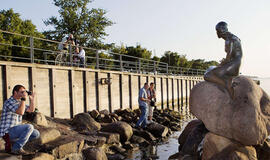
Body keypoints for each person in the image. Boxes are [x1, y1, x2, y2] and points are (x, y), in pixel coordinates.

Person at [204, 21, 242, 99]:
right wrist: (223, 62)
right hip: (235, 63)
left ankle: (226, 85)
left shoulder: (229, 40)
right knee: (211, 67)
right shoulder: (233, 37)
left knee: (207, 75)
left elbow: (228, 58)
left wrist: (221, 64)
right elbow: (232, 55)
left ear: (221, 30)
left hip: (233, 65)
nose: (216, 33)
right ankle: (226, 81)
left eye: (217, 31)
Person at [0, 85, 40, 155]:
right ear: (15, 92)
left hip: (15, 131)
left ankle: (14, 143)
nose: (24, 93)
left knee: (36, 134)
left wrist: (32, 100)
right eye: (22, 92)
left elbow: (31, 110)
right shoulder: (9, 102)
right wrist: (23, 99)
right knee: (29, 127)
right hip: (7, 132)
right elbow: (20, 112)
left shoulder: (19, 102)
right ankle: (16, 148)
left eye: (24, 92)